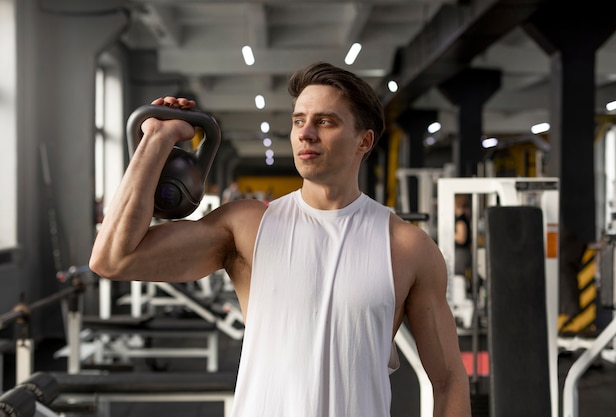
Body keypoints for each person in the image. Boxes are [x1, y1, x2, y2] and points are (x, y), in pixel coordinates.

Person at [89, 62, 470, 416]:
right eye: (299, 120)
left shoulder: (407, 247)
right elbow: (112, 259)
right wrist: (156, 139)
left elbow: (449, 380)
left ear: (364, 141)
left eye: (325, 121)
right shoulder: (248, 225)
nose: (305, 133)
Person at [454, 194, 472, 278]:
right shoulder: (464, 218)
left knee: (458, 276)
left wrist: (449, 234)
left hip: (461, 253)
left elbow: (461, 238)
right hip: (462, 252)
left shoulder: (461, 220)